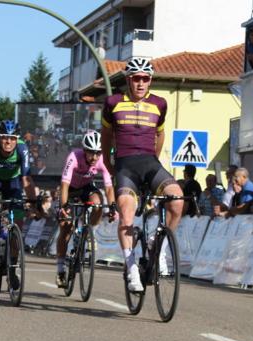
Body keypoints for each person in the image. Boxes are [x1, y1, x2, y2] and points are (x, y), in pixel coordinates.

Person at [101, 58, 184, 292]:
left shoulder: (160, 103)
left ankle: (160, 249)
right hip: (125, 165)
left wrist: (155, 160)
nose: (140, 83)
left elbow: (161, 134)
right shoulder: (113, 102)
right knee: (127, 214)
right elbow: (106, 135)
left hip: (150, 162)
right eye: (136, 78)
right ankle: (131, 268)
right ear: (128, 79)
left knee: (177, 200)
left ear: (150, 81)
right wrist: (108, 162)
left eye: (145, 79)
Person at [0, 120, 39, 287]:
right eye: (4, 138)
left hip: (13, 183)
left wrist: (33, 203)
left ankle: (11, 269)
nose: (8, 142)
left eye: (12, 138)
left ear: (16, 139)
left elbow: (26, 179)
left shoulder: (22, 149)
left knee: (16, 226)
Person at [55, 131, 116, 288]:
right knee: (65, 228)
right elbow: (64, 185)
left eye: (98, 153)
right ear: (84, 150)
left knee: (97, 202)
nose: (94, 157)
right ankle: (61, 269)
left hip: (85, 188)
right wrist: (63, 206)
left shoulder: (102, 160)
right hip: (69, 189)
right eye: (91, 153)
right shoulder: (74, 157)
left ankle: (90, 232)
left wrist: (112, 207)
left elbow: (109, 188)